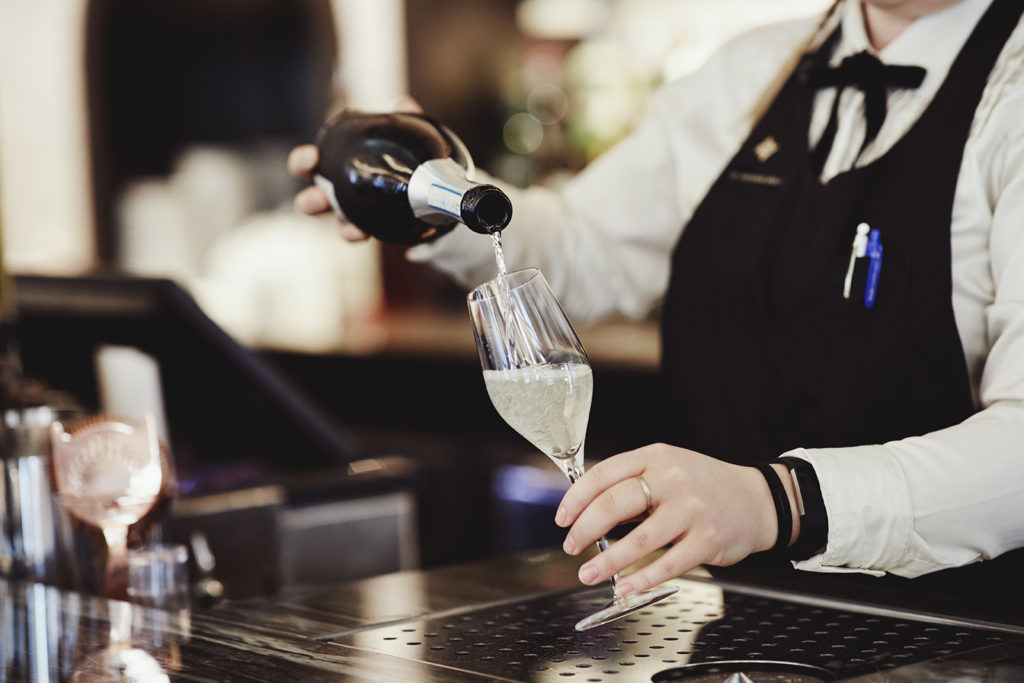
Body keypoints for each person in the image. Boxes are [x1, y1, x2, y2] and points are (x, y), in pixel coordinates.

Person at [290, 0, 1024, 599]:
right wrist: (431, 200)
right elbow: (582, 246)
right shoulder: (752, 70)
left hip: (965, 631)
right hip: (743, 623)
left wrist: (781, 499)